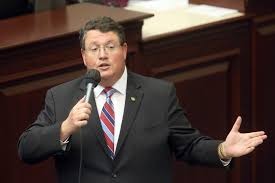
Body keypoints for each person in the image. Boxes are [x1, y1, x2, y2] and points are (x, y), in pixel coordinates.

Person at [18, 16, 267, 183]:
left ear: (125, 51)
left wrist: (223, 149)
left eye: (110, 47)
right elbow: (27, 149)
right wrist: (65, 128)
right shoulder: (61, 97)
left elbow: (188, 145)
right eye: (94, 49)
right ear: (84, 56)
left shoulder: (159, 94)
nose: (102, 56)